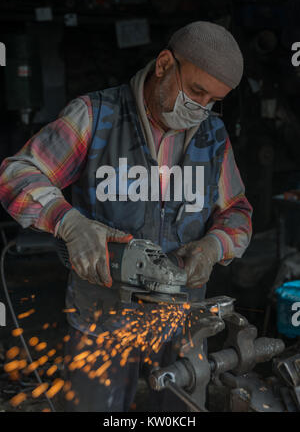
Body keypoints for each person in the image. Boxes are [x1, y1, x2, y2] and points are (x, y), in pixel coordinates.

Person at [0, 21, 252, 411]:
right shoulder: (96, 116)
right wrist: (68, 222)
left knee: (178, 413)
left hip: (183, 322)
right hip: (102, 319)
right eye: (197, 91)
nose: (200, 108)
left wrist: (213, 245)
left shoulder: (212, 136)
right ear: (165, 64)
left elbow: (236, 213)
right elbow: (17, 174)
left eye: (212, 100)